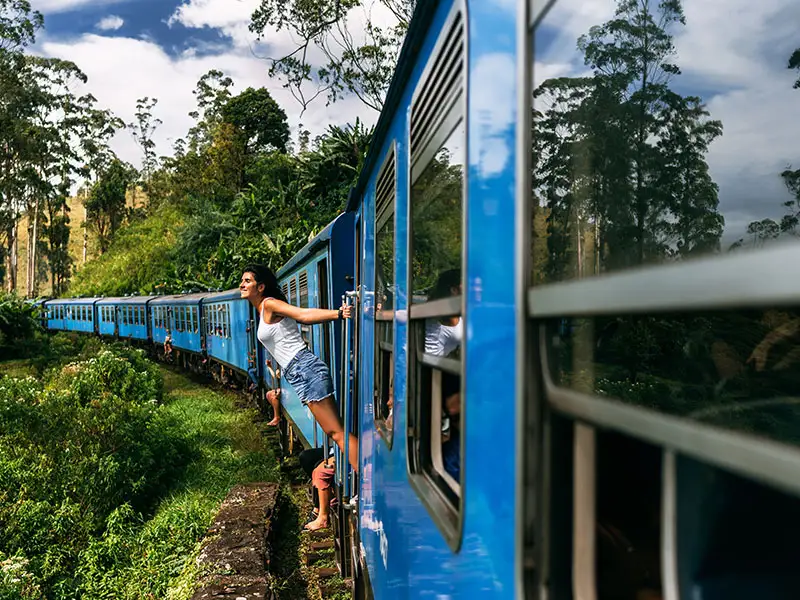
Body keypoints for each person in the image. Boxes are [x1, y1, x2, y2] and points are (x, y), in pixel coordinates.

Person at [240, 264, 359, 472]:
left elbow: (303, 315)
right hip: (300, 372)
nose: (242, 284)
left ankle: (367, 486)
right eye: (242, 281)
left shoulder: (269, 304)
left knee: (337, 432)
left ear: (261, 287)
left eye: (247, 281)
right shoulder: (262, 310)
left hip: (305, 369)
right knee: (336, 432)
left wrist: (338, 314)